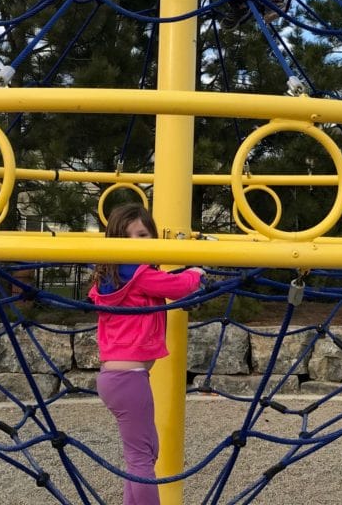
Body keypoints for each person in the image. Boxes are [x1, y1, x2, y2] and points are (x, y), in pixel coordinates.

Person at [88, 203, 205, 505]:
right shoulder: (140, 275)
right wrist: (195, 271)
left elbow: (161, 287)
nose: (136, 242)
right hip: (129, 378)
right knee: (141, 460)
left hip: (119, 379)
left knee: (146, 452)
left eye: (142, 234)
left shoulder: (113, 277)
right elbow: (179, 285)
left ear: (154, 236)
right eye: (128, 237)